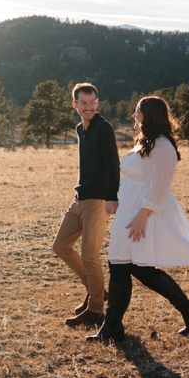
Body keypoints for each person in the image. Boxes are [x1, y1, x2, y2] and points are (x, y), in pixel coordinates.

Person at [88, 95, 189, 341]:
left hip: (143, 212)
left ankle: (113, 325)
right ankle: (185, 308)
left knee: (130, 264)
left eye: (137, 111)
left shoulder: (163, 146)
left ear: (149, 115)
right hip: (129, 209)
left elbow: (160, 186)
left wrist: (142, 215)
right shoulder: (147, 141)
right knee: (124, 263)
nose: (134, 115)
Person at [51, 83, 120, 330]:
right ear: (75, 105)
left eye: (92, 102)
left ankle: (96, 311)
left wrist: (112, 197)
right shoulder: (81, 128)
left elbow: (113, 165)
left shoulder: (104, 128)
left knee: (90, 256)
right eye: (83, 103)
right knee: (60, 246)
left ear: (97, 103)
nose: (88, 107)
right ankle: (96, 291)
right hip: (79, 199)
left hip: (98, 201)